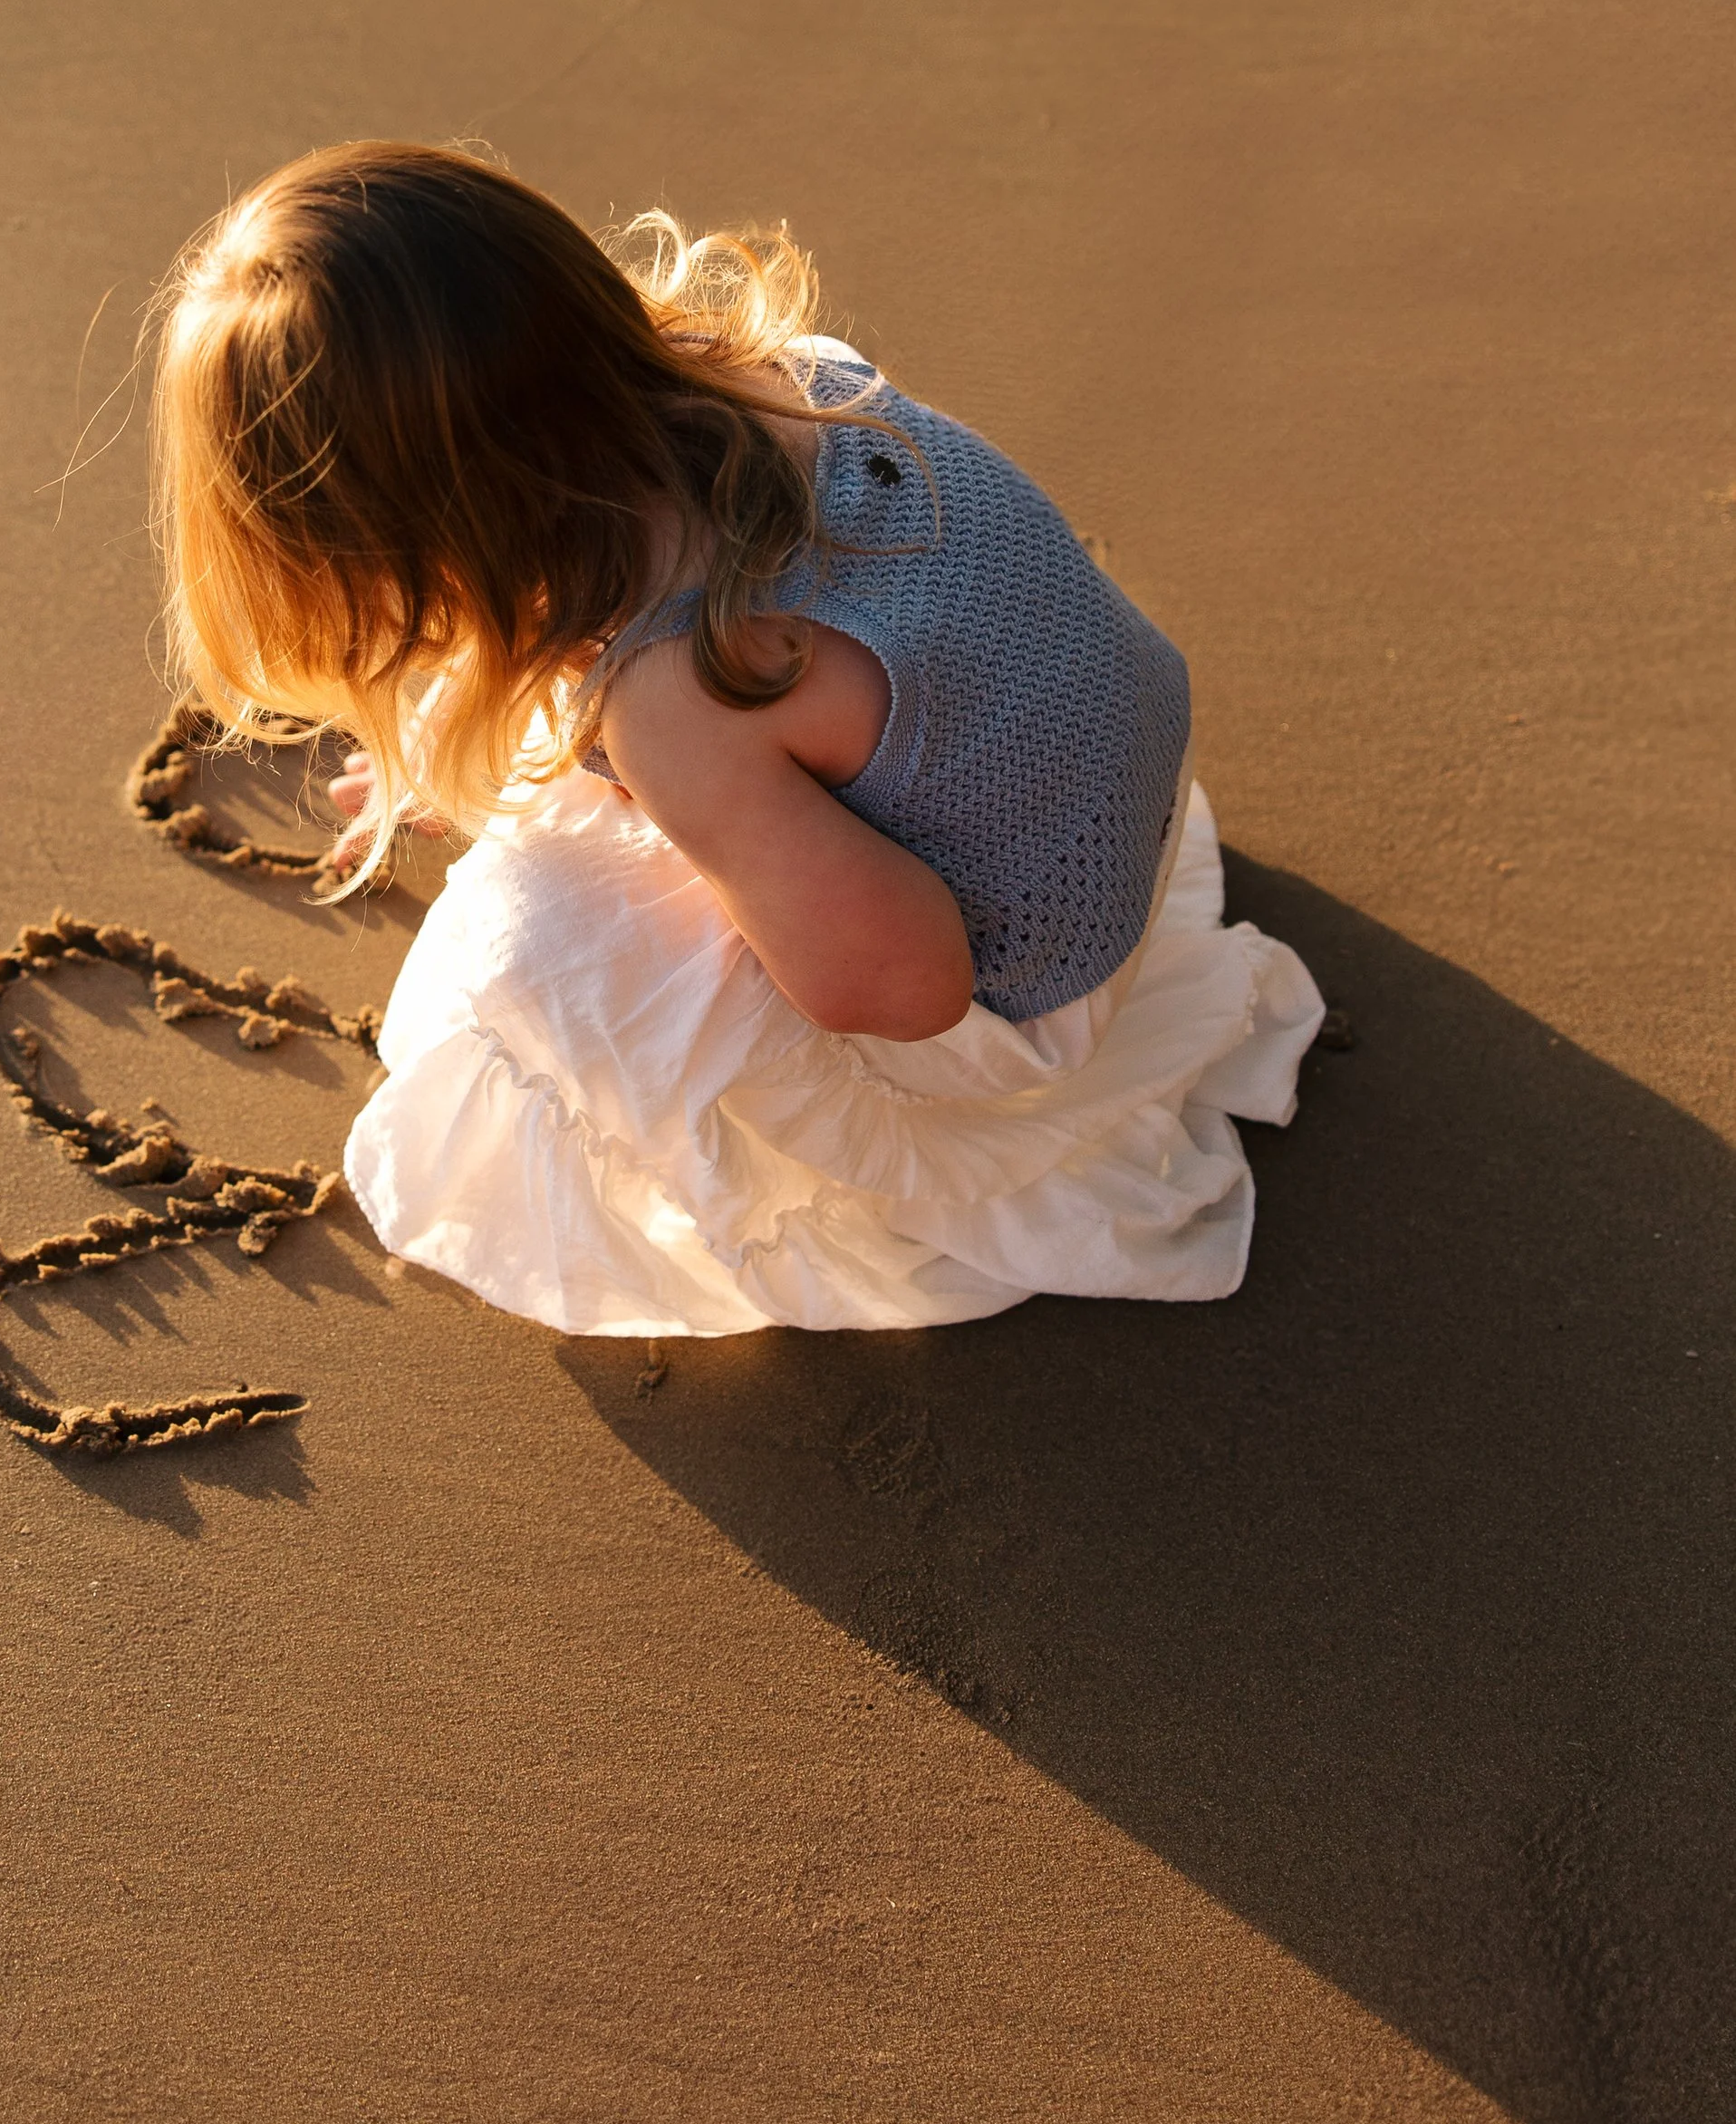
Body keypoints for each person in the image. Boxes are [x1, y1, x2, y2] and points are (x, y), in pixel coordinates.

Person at [149, 140, 1324, 1339]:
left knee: (539, 933)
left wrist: (674, 834)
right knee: (676, 792)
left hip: (1047, 987)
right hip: (1126, 798)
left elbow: (904, 991)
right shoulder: (787, 381)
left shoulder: (682, 698)